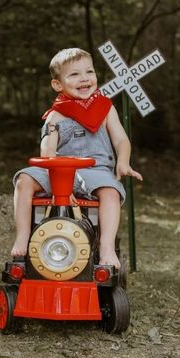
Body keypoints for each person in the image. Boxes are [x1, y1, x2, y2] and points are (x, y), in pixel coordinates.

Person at [11, 48, 142, 268]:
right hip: (59, 170)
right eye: (74, 74)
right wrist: (58, 181)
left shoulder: (105, 108)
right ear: (58, 85)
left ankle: (106, 246)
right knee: (24, 179)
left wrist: (123, 161)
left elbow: (121, 140)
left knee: (110, 191)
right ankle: (23, 235)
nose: (84, 79)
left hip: (96, 171)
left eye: (89, 72)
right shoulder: (55, 115)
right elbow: (47, 151)